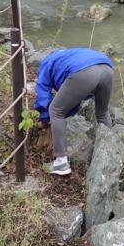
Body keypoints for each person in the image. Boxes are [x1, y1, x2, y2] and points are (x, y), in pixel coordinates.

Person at [35, 48, 114, 176]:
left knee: (55, 110)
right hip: (107, 69)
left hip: (84, 71)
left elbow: (42, 93)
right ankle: (111, 155)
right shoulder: (68, 56)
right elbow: (74, 99)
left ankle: (61, 163)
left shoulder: (46, 63)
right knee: (103, 113)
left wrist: (44, 118)